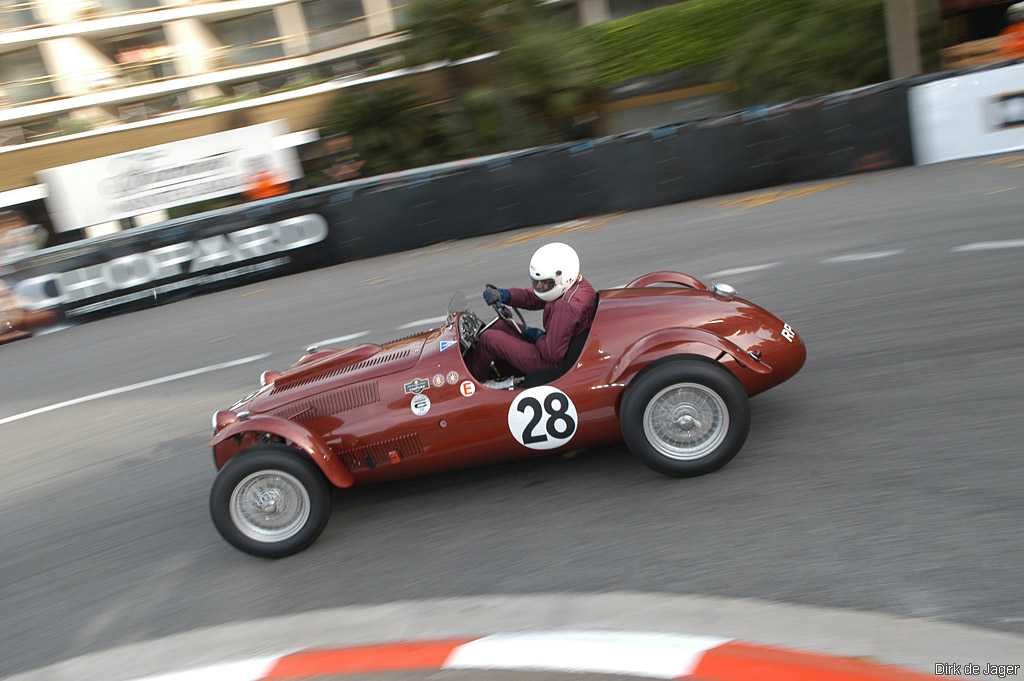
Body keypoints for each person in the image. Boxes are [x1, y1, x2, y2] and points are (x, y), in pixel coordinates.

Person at [467, 242, 597, 382]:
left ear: (562, 278)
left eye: (544, 283)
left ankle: (468, 386)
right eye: (537, 282)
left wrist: (538, 336)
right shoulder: (575, 285)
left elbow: (552, 353)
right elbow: (533, 297)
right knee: (499, 325)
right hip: (556, 346)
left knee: (489, 340)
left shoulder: (566, 306)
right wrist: (505, 295)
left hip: (554, 364)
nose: (539, 286)